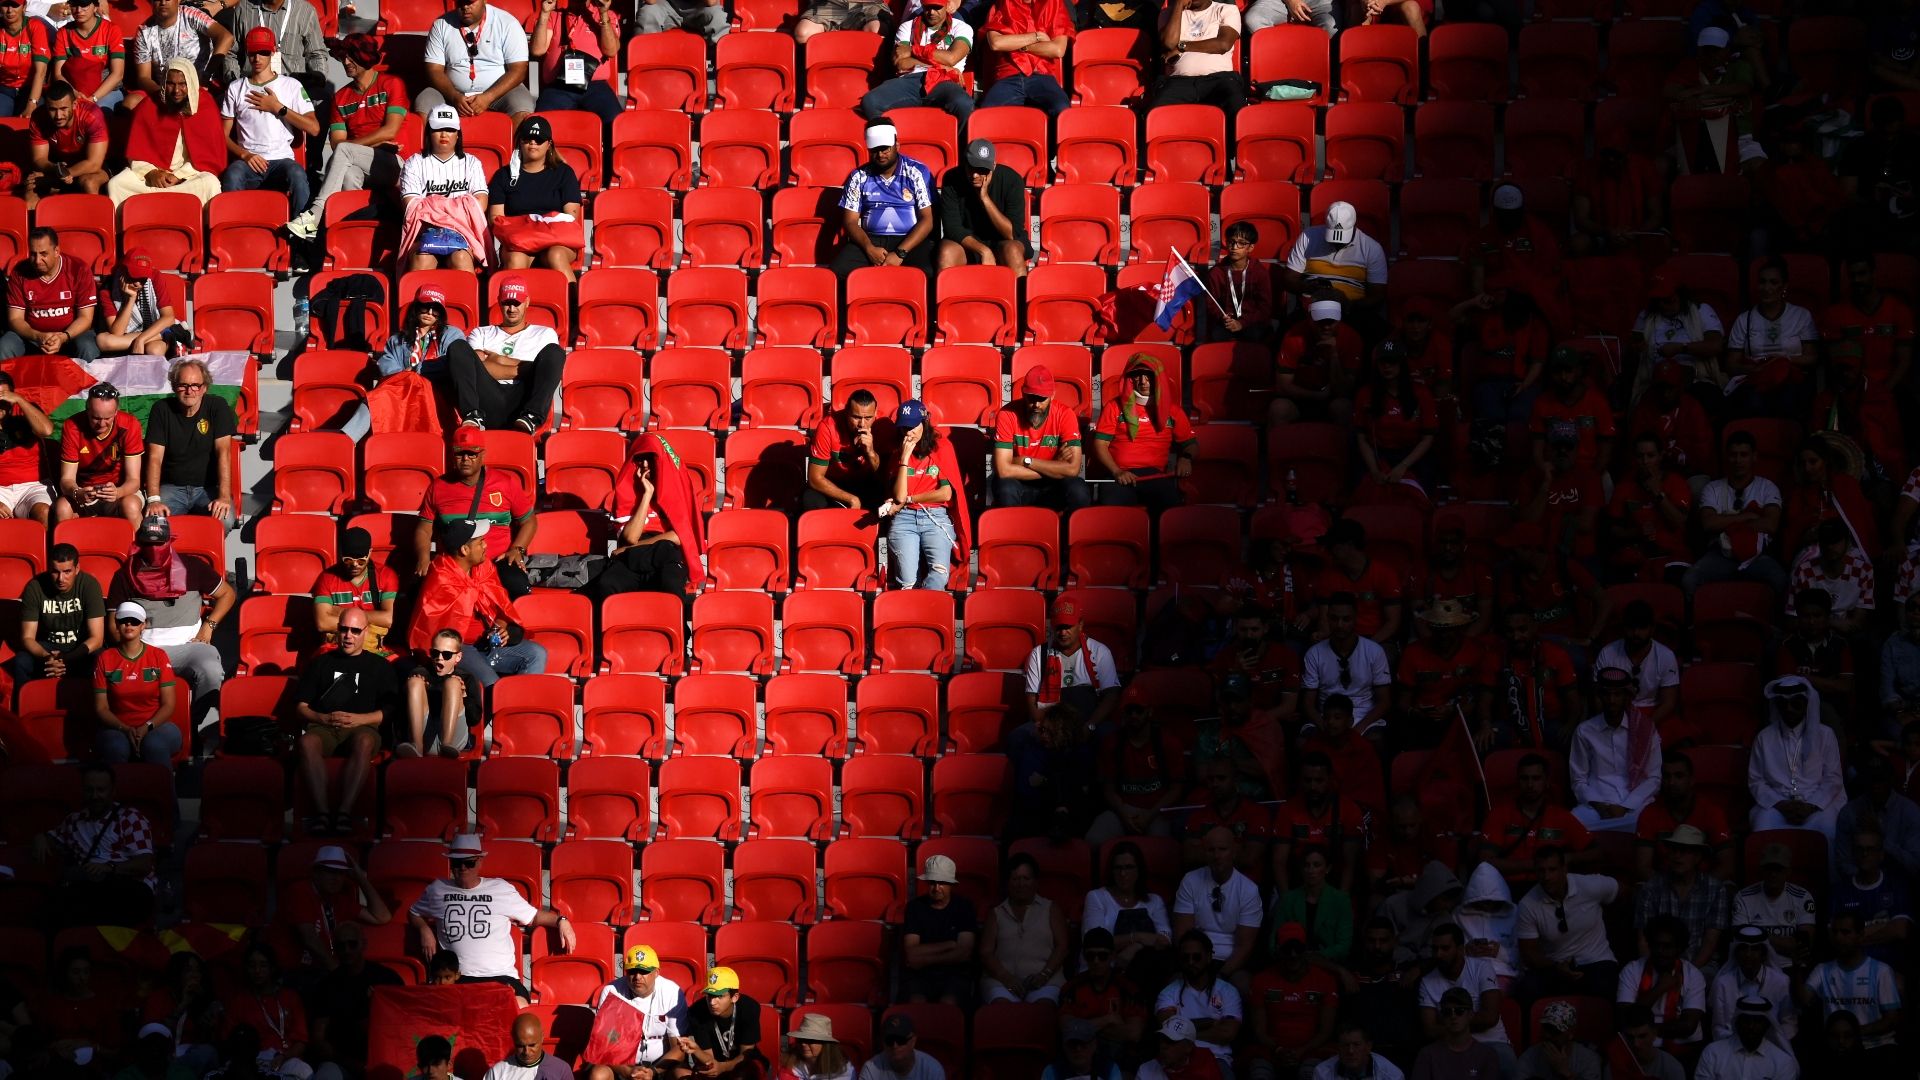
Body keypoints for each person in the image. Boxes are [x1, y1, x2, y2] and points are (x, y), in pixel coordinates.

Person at [409, 834, 574, 1007]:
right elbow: (414, 912)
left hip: (500, 975)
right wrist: (424, 929)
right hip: (457, 977)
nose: (463, 868)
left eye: (469, 863)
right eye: (457, 863)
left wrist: (560, 920)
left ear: (480, 862)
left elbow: (533, 916)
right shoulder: (438, 890)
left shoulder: (500, 888)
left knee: (517, 1006)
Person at [112, 513, 233, 721]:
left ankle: (193, 723)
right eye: (148, 544)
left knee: (211, 669)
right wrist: (133, 650)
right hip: (144, 649)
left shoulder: (192, 567)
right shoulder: (125, 574)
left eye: (159, 543)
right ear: (139, 543)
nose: (154, 549)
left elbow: (227, 594)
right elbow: (113, 625)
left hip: (189, 646)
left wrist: (208, 626)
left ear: (169, 541)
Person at [287, 34, 406, 241]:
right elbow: (335, 142)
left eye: (352, 57)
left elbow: (390, 131)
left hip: (391, 162)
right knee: (349, 175)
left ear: (366, 57)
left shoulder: (392, 84)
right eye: (343, 57)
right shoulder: (340, 97)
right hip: (360, 162)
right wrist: (372, 143)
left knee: (344, 151)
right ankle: (354, 235)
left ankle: (314, 215)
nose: (346, 62)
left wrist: (353, 147)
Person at [293, 607, 395, 836]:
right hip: (324, 727)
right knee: (307, 742)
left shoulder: (380, 667)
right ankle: (322, 813)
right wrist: (322, 717)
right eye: (344, 629)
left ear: (366, 632)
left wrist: (361, 719)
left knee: (365, 742)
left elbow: (390, 711)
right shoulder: (320, 663)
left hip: (362, 728)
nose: (349, 635)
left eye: (355, 630)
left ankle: (344, 813)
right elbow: (300, 707)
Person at [409, 518, 548, 688]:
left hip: (489, 642)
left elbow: (500, 605)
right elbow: (434, 631)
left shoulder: (483, 567)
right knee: (492, 684)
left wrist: (500, 625)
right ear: (464, 549)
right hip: (460, 649)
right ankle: (500, 709)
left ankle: (520, 708)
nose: (486, 545)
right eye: (480, 541)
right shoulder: (441, 578)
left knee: (537, 654)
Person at [578, 431, 709, 601]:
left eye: (651, 459)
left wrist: (629, 549)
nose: (645, 464)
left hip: (661, 557)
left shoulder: (676, 488)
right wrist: (647, 494)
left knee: (670, 583)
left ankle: (678, 628)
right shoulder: (628, 492)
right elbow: (631, 537)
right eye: (641, 459)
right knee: (607, 584)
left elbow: (678, 537)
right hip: (634, 559)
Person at [413, 425, 538, 597]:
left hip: (498, 560)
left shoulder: (505, 483)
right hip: (456, 564)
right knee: (417, 593)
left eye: (472, 453)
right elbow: (424, 528)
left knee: (519, 588)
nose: (465, 459)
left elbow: (529, 521)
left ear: (482, 455)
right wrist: (424, 558)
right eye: (459, 453)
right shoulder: (438, 487)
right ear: (452, 455)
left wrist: (517, 549)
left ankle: (503, 625)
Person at [30, 762, 159, 928]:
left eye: (101, 790)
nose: (94, 796)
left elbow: (145, 864)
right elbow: (51, 838)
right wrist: (40, 837)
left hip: (128, 885)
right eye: (89, 790)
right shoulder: (74, 821)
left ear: (113, 792)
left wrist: (108, 867)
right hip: (90, 886)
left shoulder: (130, 818)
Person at [446, 276, 568, 434]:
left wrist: (499, 360)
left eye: (517, 303)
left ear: (527, 302)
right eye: (507, 303)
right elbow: (473, 370)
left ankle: (531, 416)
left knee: (555, 352)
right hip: (487, 397)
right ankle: (472, 414)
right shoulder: (481, 333)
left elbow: (548, 371)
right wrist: (527, 367)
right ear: (499, 301)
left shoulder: (544, 333)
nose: (512, 309)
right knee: (457, 347)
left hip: (523, 400)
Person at [341, 287, 466, 440]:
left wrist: (415, 370)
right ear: (416, 308)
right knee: (382, 394)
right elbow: (387, 367)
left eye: (436, 309)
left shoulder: (451, 334)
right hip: (402, 394)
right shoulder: (397, 339)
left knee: (380, 396)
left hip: (436, 395)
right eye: (425, 307)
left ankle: (348, 437)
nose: (429, 312)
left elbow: (453, 363)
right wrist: (408, 376)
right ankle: (346, 441)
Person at [219, 27, 319, 212]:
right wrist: (245, 155)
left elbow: (313, 128)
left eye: (263, 53)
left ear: (273, 53)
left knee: (297, 175)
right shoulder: (235, 88)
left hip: (281, 160)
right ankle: (233, 232)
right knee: (232, 175)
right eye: (253, 53)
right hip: (249, 160)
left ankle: (301, 235)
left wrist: (277, 108)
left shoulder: (291, 85)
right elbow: (221, 136)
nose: (257, 58)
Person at [1682, 430, 1787, 596]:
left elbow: (1770, 525)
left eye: (1743, 455)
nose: (1738, 460)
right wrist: (1747, 517)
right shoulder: (1713, 488)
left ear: (1754, 457)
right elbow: (1709, 524)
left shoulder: (1767, 487)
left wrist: (1725, 522)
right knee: (1690, 579)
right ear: (1726, 457)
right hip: (1720, 554)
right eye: (1733, 455)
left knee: (1781, 580)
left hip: (1757, 555)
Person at [108, 59, 226, 206]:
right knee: (117, 184)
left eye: (182, 84)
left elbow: (209, 159)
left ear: (190, 82)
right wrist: (152, 173)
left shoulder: (206, 106)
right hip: (152, 176)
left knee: (210, 184)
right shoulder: (149, 105)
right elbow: (136, 152)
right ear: (164, 83)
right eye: (171, 84)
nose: (176, 91)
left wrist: (178, 175)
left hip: (188, 177)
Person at [830, 123, 935, 287]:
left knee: (927, 273)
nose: (880, 154)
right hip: (871, 238)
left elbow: (927, 219)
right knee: (838, 271)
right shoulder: (858, 176)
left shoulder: (916, 172)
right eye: (875, 150)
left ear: (897, 145)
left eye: (885, 148)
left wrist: (900, 253)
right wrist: (869, 248)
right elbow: (850, 221)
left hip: (910, 239)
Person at [883, 398, 970, 592]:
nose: (909, 432)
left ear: (924, 423)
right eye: (905, 427)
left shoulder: (942, 448)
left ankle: (927, 612)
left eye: (913, 426)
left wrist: (912, 499)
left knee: (939, 575)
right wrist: (904, 459)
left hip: (936, 516)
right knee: (907, 582)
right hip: (904, 518)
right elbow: (899, 496)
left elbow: (945, 493)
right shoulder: (898, 451)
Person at [1091, 352, 1194, 514]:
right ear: (1131, 379)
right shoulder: (1114, 407)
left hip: (1155, 476)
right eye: (1138, 376)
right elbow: (1100, 444)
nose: (1143, 381)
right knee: (1112, 514)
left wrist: (1186, 458)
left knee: (1173, 514)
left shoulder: (1173, 411)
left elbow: (1191, 445)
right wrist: (1117, 471)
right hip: (1119, 475)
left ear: (1158, 379)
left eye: (1149, 376)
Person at [1797, 910, 1903, 1065]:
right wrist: (1798, 967)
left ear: (1861, 935)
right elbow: (1802, 1000)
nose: (1838, 937)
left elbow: (1892, 1019)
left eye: (1845, 932)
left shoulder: (1881, 971)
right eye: (1835, 932)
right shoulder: (1822, 970)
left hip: (1876, 1047)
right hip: (1836, 1051)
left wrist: (1854, 1034)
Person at [1515, 845, 1619, 1002]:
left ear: (1564, 869)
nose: (1546, 876)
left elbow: (1624, 893)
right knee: (1528, 988)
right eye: (1541, 871)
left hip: (1596, 959)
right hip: (1555, 965)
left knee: (1605, 984)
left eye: (1552, 870)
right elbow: (1529, 954)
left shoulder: (1590, 885)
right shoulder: (1528, 904)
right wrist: (1556, 967)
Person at [142, 356, 239, 525]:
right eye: (183, 385)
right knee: (154, 524)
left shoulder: (218, 406)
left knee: (225, 520)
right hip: (171, 488)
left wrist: (223, 497)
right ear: (174, 386)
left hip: (207, 488)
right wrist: (154, 499)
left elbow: (223, 452)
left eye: (195, 385)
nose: (189, 391)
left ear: (204, 388)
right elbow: (155, 458)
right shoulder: (161, 409)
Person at [1747, 676, 1843, 843]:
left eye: (1795, 703)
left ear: (1806, 704)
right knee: (1762, 827)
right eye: (1783, 704)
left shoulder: (1825, 735)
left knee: (1828, 830)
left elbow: (1833, 778)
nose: (1789, 709)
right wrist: (1781, 804)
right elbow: (1756, 781)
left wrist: (1811, 805)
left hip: (1818, 806)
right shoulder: (1765, 737)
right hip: (1778, 806)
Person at [488, 115, 584, 280]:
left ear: (549, 144)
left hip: (556, 240)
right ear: (519, 142)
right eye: (527, 139)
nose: (532, 143)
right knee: (515, 259)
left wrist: (535, 229)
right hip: (518, 242)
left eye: (538, 140)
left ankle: (573, 302)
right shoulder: (503, 175)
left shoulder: (564, 173)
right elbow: (495, 218)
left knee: (556, 256)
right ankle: (513, 305)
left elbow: (571, 216)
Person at [1569, 668, 1663, 833]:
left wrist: (1625, 806)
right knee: (1572, 825)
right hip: (1596, 806)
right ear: (1600, 696)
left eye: (1618, 695)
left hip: (1635, 805)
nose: (1612, 700)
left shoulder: (1645, 729)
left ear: (1626, 697)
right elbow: (1579, 780)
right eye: (1607, 694)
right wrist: (1600, 807)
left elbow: (1654, 777)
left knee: (1649, 824)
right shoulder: (1585, 731)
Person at [1478, 755, 1596, 886]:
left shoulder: (1562, 816)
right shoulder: (1499, 814)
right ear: (1518, 781)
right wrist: (1535, 864)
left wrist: (1569, 858)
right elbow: (1485, 861)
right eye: (1524, 778)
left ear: (1546, 781)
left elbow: (1596, 853)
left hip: (1550, 888)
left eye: (1536, 778)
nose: (1530, 785)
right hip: (1506, 888)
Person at [400, 105, 491, 273]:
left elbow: (480, 205)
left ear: (458, 134)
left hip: (463, 235)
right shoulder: (414, 162)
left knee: (460, 257)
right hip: (424, 233)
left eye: (449, 129)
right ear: (428, 133)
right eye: (438, 129)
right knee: (423, 257)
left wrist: (431, 203)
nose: (444, 134)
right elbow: (412, 208)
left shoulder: (471, 163)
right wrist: (461, 205)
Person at [1477, 607, 1579, 751]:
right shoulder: (1494, 657)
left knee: (1573, 742)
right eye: (1510, 631)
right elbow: (1485, 700)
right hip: (1509, 723)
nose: (1516, 636)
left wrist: (1571, 724)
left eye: (1522, 630)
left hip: (1548, 722)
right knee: (1482, 743)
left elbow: (1572, 699)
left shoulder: (1555, 654)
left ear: (1534, 627)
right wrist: (1485, 725)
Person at [92, 601, 181, 766]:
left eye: (135, 621)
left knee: (154, 746)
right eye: (124, 620)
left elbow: (169, 704)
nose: (129, 624)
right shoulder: (105, 658)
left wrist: (147, 727)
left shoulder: (159, 656)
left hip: (157, 727)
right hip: (116, 728)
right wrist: (125, 729)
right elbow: (101, 708)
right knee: (115, 747)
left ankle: (165, 791)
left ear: (143, 625)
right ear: (117, 625)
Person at [1171, 827, 1262, 987]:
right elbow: (1183, 936)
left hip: (1231, 963)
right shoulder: (1190, 881)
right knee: (1175, 983)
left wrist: (1220, 976)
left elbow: (1244, 946)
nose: (1217, 856)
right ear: (1204, 853)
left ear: (1234, 852)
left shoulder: (1249, 890)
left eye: (1222, 849)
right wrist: (1198, 970)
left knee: (1243, 985)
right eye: (1211, 850)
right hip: (1196, 959)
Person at [991, 365, 1090, 511]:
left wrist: (1026, 461)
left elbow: (1073, 469)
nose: (1036, 404)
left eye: (1042, 399)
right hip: (1020, 483)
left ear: (1052, 396)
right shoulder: (1007, 414)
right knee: (1005, 488)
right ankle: (1012, 532)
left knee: (1079, 489)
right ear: (1023, 394)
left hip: (1052, 485)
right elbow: (1004, 470)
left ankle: (1067, 532)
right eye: (1032, 397)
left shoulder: (1065, 414)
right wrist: (1054, 467)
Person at [583, 944, 689, 1079]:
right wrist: (628, 1072)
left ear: (656, 972)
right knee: (599, 1074)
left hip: (661, 1066)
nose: (637, 977)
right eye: (632, 971)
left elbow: (679, 1049)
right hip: (621, 1064)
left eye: (644, 971)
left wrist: (653, 1071)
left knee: (683, 1074)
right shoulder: (612, 991)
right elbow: (604, 1047)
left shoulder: (672, 992)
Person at [284, 844, 392, 974]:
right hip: (293, 970)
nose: (336, 878)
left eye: (341, 873)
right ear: (316, 873)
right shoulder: (300, 891)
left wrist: (360, 878)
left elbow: (381, 917)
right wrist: (338, 973)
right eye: (329, 872)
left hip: (322, 971)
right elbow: (309, 938)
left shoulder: (338, 899)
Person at [862, 0, 974, 126]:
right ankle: (889, 142)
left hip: (945, 80)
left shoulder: (962, 28)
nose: (931, 12)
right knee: (870, 102)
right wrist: (941, 65)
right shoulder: (907, 26)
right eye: (928, 7)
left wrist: (911, 50)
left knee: (964, 104)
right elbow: (900, 63)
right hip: (910, 80)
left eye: (937, 7)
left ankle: (958, 144)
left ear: (947, 6)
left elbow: (951, 58)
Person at [1635, 825, 1730, 972]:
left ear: (1698, 857)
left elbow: (1710, 942)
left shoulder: (1716, 889)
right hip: (1657, 965)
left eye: (1684, 851)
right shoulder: (1651, 888)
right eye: (1673, 850)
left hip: (1700, 967)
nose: (1677, 856)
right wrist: (1653, 973)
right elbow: (1643, 940)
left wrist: (1688, 975)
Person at [418, 0, 533, 118]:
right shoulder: (441, 24)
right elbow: (434, 70)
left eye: (471, 2)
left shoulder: (508, 23)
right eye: (460, 2)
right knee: (425, 102)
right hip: (453, 92)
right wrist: (454, 96)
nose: (465, 6)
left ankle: (515, 137)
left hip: (499, 92)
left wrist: (488, 97)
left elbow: (519, 70)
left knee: (522, 106)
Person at [1301, 594, 1393, 741]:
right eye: (1334, 618)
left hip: (1363, 716)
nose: (1340, 625)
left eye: (1346, 619)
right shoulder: (1314, 653)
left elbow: (1384, 701)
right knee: (1303, 742)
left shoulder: (1374, 651)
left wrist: (1358, 730)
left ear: (1355, 618)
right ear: (1327, 618)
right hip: (1327, 718)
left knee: (1376, 739)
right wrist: (1326, 727)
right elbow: (1308, 703)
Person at [980, 853, 1069, 1004]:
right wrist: (1006, 978)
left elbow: (1063, 946)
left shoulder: (1051, 909)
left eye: (1026, 879)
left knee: (1043, 1009)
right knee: (1001, 1007)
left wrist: (1044, 975)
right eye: (1015, 879)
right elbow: (986, 952)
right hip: (1002, 981)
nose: (1021, 884)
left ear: (1035, 882)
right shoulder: (996, 913)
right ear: (1008, 882)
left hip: (1046, 980)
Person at [1081, 842, 1173, 987]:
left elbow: (1165, 939)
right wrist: (1139, 937)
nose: (1123, 874)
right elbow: (1095, 942)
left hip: (1145, 973)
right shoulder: (1096, 897)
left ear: (1139, 870)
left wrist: (1136, 947)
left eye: (1129, 867)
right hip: (1102, 973)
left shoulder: (1154, 901)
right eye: (1118, 868)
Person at [1024, 595, 1122, 730]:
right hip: (1050, 723)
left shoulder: (1100, 651)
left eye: (1068, 626)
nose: (1063, 632)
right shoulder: (1038, 654)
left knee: (1109, 734)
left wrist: (1090, 726)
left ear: (1080, 624)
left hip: (1087, 721)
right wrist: (1048, 729)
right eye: (1058, 627)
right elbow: (1031, 700)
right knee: (1018, 738)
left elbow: (1111, 696)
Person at [14, 542, 105, 685]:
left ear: (77, 569)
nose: (61, 579)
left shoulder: (89, 585)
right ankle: (22, 704)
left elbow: (97, 638)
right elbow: (27, 637)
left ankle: (93, 705)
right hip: (47, 649)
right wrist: (47, 657)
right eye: (55, 572)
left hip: (79, 648)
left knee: (100, 658)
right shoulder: (35, 586)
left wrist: (67, 658)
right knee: (21, 662)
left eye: (67, 572)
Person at [1394, 600, 1480, 751]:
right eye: (1437, 629)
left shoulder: (1474, 651)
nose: (1443, 635)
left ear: (1460, 628)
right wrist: (1418, 713)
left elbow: (1476, 696)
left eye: (1448, 629)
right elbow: (1403, 701)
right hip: (1422, 721)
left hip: (1461, 718)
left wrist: (1454, 710)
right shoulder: (1413, 653)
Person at [1635, 750, 1734, 881]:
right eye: (1667, 776)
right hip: (1662, 887)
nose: (1671, 782)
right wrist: (1671, 890)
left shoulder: (1711, 812)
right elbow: (1643, 868)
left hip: (1704, 888)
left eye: (1679, 776)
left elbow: (1727, 867)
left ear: (1692, 780)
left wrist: (1697, 889)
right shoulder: (1649, 813)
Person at [3, 226, 98, 360]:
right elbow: (15, 319)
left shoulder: (79, 269)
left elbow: (86, 318)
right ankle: (7, 381)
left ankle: (88, 381)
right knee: (5, 346)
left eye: (43, 254)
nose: (37, 260)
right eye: (33, 254)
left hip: (71, 335)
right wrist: (37, 336)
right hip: (31, 337)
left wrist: (63, 336)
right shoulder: (19, 272)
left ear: (56, 251)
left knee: (87, 347)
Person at [1616, 915, 1707, 1053]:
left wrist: (1645, 1031)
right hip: (1640, 1046)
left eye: (1667, 946)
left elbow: (1688, 1026)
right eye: (1656, 945)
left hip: (1683, 1048)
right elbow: (1626, 1018)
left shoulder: (1693, 975)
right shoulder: (1632, 970)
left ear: (1679, 949)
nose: (1660, 951)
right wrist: (1659, 988)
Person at [1156, 930, 1243, 1072]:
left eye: (1197, 957)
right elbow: (1167, 1028)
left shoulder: (1228, 991)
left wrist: (1182, 1030)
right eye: (1185, 957)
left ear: (1209, 957)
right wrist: (1210, 1023)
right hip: (1179, 1059)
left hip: (1217, 1059)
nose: (1191, 962)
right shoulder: (1168, 993)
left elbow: (1227, 1033)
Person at [526, 0, 622, 129]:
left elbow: (611, 50)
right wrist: (544, 13)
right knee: (540, 125)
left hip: (594, 86)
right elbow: (537, 50)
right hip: (560, 86)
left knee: (616, 123)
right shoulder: (553, 16)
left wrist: (603, 14)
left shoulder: (605, 14)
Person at [938, 138, 1027, 276]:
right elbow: (952, 228)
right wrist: (983, 250)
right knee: (946, 252)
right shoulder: (951, 179)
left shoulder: (1012, 180)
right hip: (968, 241)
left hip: (1002, 241)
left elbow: (1011, 233)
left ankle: (1021, 295)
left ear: (994, 166)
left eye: (981, 170)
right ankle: (947, 296)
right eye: (971, 167)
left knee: (1013, 250)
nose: (975, 175)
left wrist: (985, 198)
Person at [1271, 298, 1365, 429]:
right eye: (1321, 321)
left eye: (1331, 322)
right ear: (1310, 319)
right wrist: (1318, 395)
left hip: (1333, 399)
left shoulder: (1351, 338)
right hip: (1300, 397)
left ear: (1340, 319)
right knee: (1279, 409)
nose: (1326, 327)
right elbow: (1283, 386)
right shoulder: (1294, 336)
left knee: (1343, 408)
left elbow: (1344, 390)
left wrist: (1334, 355)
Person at [1283, 201, 1388, 314]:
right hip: (1313, 307)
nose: (1337, 244)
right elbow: (1289, 279)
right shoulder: (1308, 237)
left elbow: (1378, 295)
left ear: (1355, 225)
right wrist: (1308, 288)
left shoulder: (1372, 248)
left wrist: (1348, 304)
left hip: (1353, 311)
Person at [902, 853, 978, 1005]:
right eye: (932, 883)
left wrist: (923, 959)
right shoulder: (915, 907)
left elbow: (965, 952)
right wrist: (949, 945)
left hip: (955, 974)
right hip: (921, 976)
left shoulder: (964, 907)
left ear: (951, 884)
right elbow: (911, 953)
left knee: (948, 1003)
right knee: (917, 1003)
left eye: (942, 883)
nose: (937, 888)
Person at [226, 944, 313, 1076]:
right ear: (246, 968)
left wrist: (284, 1056)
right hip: (252, 1061)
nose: (257, 971)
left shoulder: (290, 997)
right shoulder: (239, 1001)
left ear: (272, 968)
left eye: (263, 965)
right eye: (252, 965)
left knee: (304, 1071)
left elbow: (301, 1041)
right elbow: (229, 1040)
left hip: (287, 1059)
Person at [127, 0, 231, 110]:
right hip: (167, 89)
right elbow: (143, 77)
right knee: (131, 102)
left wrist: (205, 78)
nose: (163, 2)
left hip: (200, 86)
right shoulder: (144, 31)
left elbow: (226, 37)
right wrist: (163, 94)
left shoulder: (191, 15)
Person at [1831, 824, 1911, 965]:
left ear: (1881, 855)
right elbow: (1833, 939)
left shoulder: (1896, 886)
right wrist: (1885, 926)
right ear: (1853, 853)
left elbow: (1899, 930)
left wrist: (1851, 936)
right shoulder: (1839, 891)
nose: (1865, 854)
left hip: (1889, 966)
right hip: (1849, 969)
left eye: (1870, 849)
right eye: (1860, 849)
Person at [1060, 928, 1149, 1053]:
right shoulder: (1071, 988)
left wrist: (1083, 1028)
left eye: (1102, 956)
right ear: (1084, 957)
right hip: (1081, 1052)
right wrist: (1108, 1020)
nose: (1096, 961)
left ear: (1112, 956)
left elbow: (1134, 1034)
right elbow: (1067, 1029)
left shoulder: (1129, 989)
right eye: (1090, 956)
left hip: (1119, 1056)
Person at [1707, 927, 1794, 1052]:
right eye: (1743, 948)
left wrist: (1768, 1045)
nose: (1748, 954)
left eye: (1754, 949)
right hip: (1732, 1049)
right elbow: (1719, 1028)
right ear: (1736, 952)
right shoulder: (1723, 983)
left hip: (1773, 1048)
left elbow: (1789, 1023)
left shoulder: (1781, 982)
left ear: (1764, 954)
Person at [311, 526, 398, 649]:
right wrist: (370, 620)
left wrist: (342, 612)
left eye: (361, 561)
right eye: (348, 560)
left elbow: (387, 619)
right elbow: (323, 623)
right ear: (341, 554)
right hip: (338, 648)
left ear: (370, 553)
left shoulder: (386, 575)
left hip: (373, 648)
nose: (355, 565)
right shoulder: (327, 578)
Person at [1835, 755, 1920, 880]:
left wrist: (1880, 838)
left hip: (1900, 887)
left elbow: (1915, 865)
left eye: (1881, 780)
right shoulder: (1849, 812)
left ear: (1891, 780)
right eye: (1872, 779)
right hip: (1859, 885)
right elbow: (1843, 864)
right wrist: (1870, 881)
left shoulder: (1910, 812)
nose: (1876, 785)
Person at [25, 80, 110, 206]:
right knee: (31, 186)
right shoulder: (39, 117)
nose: (58, 116)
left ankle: (95, 221)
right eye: (52, 109)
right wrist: (55, 169)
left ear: (74, 104)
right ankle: (35, 225)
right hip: (58, 169)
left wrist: (67, 172)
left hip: (93, 168)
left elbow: (94, 163)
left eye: (63, 109)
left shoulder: (91, 114)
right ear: (46, 106)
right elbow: (39, 159)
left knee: (89, 182)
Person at [1150, 0, 1240, 114]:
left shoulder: (1226, 9)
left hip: (1219, 80)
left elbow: (1223, 44)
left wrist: (1181, 46)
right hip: (1178, 81)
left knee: (1237, 110)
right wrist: (1178, 5)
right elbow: (1169, 43)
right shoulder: (1168, 13)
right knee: (1154, 113)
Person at [674, 967, 764, 1079]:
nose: (712, 1002)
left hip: (744, 1065)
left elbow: (746, 1054)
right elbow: (709, 1060)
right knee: (682, 1073)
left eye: (720, 996)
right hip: (714, 1064)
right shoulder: (696, 1012)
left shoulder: (749, 1008)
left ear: (734, 997)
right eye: (710, 995)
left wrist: (724, 1067)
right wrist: (696, 1050)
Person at [806, 390, 889, 511]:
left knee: (888, 497)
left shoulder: (884, 425)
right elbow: (814, 478)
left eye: (868, 418)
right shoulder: (828, 426)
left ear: (875, 413)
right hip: (835, 484)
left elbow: (886, 477)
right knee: (810, 499)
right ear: (846, 412)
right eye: (856, 417)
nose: (862, 424)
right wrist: (851, 499)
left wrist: (870, 452)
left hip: (868, 483)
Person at [95, 248, 185, 359]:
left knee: (154, 350)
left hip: (152, 330)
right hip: (129, 336)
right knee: (103, 341)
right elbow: (117, 332)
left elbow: (168, 317)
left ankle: (163, 334)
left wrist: (141, 339)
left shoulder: (155, 277)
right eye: (134, 277)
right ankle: (168, 333)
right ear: (123, 270)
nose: (138, 284)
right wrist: (131, 299)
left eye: (142, 279)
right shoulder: (108, 289)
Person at [1271, 846, 1355, 963]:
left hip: (1328, 963)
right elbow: (1274, 940)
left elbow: (1344, 946)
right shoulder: (1289, 899)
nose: (1311, 870)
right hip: (1292, 963)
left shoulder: (1340, 900)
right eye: (1306, 865)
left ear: (1328, 868)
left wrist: (1315, 956)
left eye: (1316, 865)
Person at [402, 628, 472, 758]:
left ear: (458, 657)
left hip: (454, 739)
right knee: (415, 683)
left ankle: (446, 746)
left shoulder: (467, 678)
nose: (439, 659)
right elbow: (401, 712)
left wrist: (463, 696)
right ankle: (416, 748)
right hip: (424, 735)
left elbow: (475, 719)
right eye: (435, 653)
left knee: (453, 683)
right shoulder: (421, 673)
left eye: (446, 655)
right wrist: (412, 690)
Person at [1694, 997, 1798, 1080]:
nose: (1751, 1026)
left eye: (1757, 1021)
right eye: (1746, 1021)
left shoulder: (1783, 1062)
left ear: (1767, 1025)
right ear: (1737, 1023)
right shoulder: (1713, 1053)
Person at [1411, 986, 1503, 1080]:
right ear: (1442, 1017)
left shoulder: (1487, 1055)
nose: (1453, 1016)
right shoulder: (1427, 1055)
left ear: (1470, 1015)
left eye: (1459, 1011)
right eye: (1448, 1012)